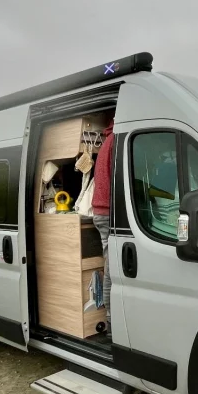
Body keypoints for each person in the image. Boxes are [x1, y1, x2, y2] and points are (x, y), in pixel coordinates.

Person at [91, 120, 115, 337]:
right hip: (109, 212)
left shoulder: (108, 139)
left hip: (101, 211)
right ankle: (112, 321)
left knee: (111, 265)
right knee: (113, 268)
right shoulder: (118, 139)